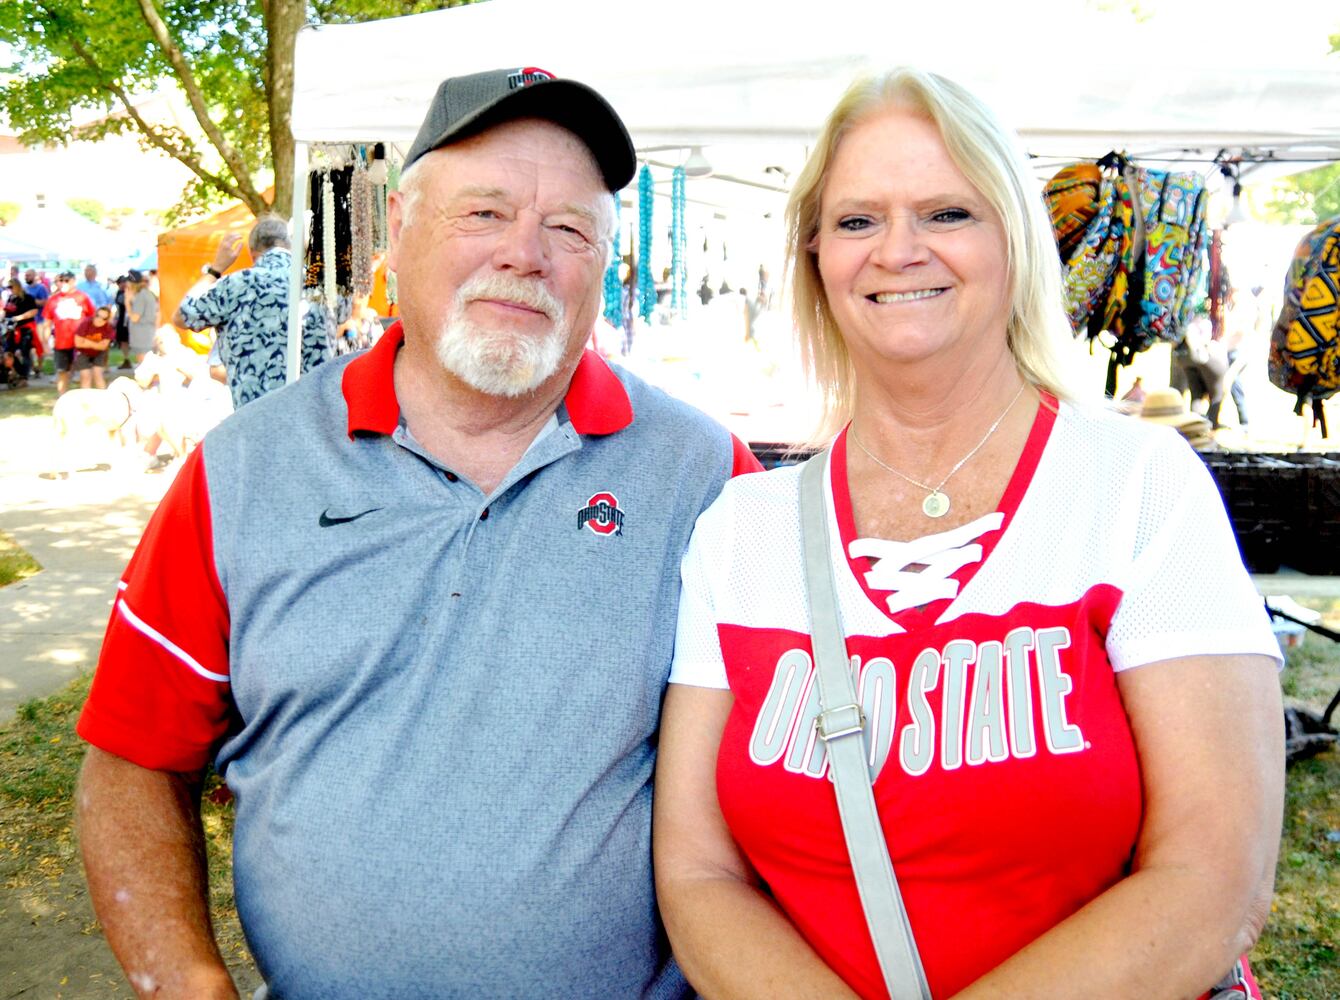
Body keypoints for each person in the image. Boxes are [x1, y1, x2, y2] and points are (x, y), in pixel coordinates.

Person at [76, 66, 760, 1000]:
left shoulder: (706, 479)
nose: (525, 254)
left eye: (569, 228)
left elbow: (794, 775)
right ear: (397, 231)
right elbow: (130, 761)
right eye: (483, 213)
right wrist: (191, 984)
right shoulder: (245, 471)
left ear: (608, 263)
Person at [654, 68, 1284, 1000]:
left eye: (947, 213)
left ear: (1016, 241)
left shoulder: (1138, 489)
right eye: (858, 221)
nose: (898, 250)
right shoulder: (742, 531)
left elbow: (1212, 879)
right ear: (816, 258)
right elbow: (698, 875)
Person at [173, 217, 334, 409]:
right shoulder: (321, 285)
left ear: (253, 254)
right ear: (290, 246)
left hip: (255, 418)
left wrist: (215, 270)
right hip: (313, 416)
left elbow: (182, 316)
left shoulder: (235, 284)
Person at [42, 271, 95, 395]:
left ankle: (85, 399)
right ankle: (62, 398)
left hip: (80, 342)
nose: (63, 283)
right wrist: (45, 342)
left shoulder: (82, 297)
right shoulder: (53, 300)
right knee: (62, 372)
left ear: (73, 281)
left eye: (66, 280)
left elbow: (92, 319)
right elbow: (47, 323)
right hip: (61, 342)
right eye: (60, 280)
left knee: (84, 372)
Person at [4, 277, 40, 386]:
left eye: (11, 287)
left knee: (25, 352)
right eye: (8, 287)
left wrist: (18, 318)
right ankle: (15, 372)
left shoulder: (28, 298)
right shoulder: (11, 298)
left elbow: (34, 311)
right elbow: (6, 313)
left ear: (17, 286)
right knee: (8, 351)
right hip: (12, 329)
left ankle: (24, 378)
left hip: (25, 328)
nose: (10, 289)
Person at [72, 305, 115, 389]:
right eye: (98, 316)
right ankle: (86, 400)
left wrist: (87, 342)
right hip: (83, 352)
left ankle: (104, 398)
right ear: (95, 314)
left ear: (107, 320)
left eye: (104, 318)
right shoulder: (86, 323)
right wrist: (97, 344)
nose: (99, 320)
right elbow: (78, 343)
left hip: (99, 353)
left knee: (98, 375)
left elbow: (103, 347)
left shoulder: (108, 328)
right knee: (85, 376)